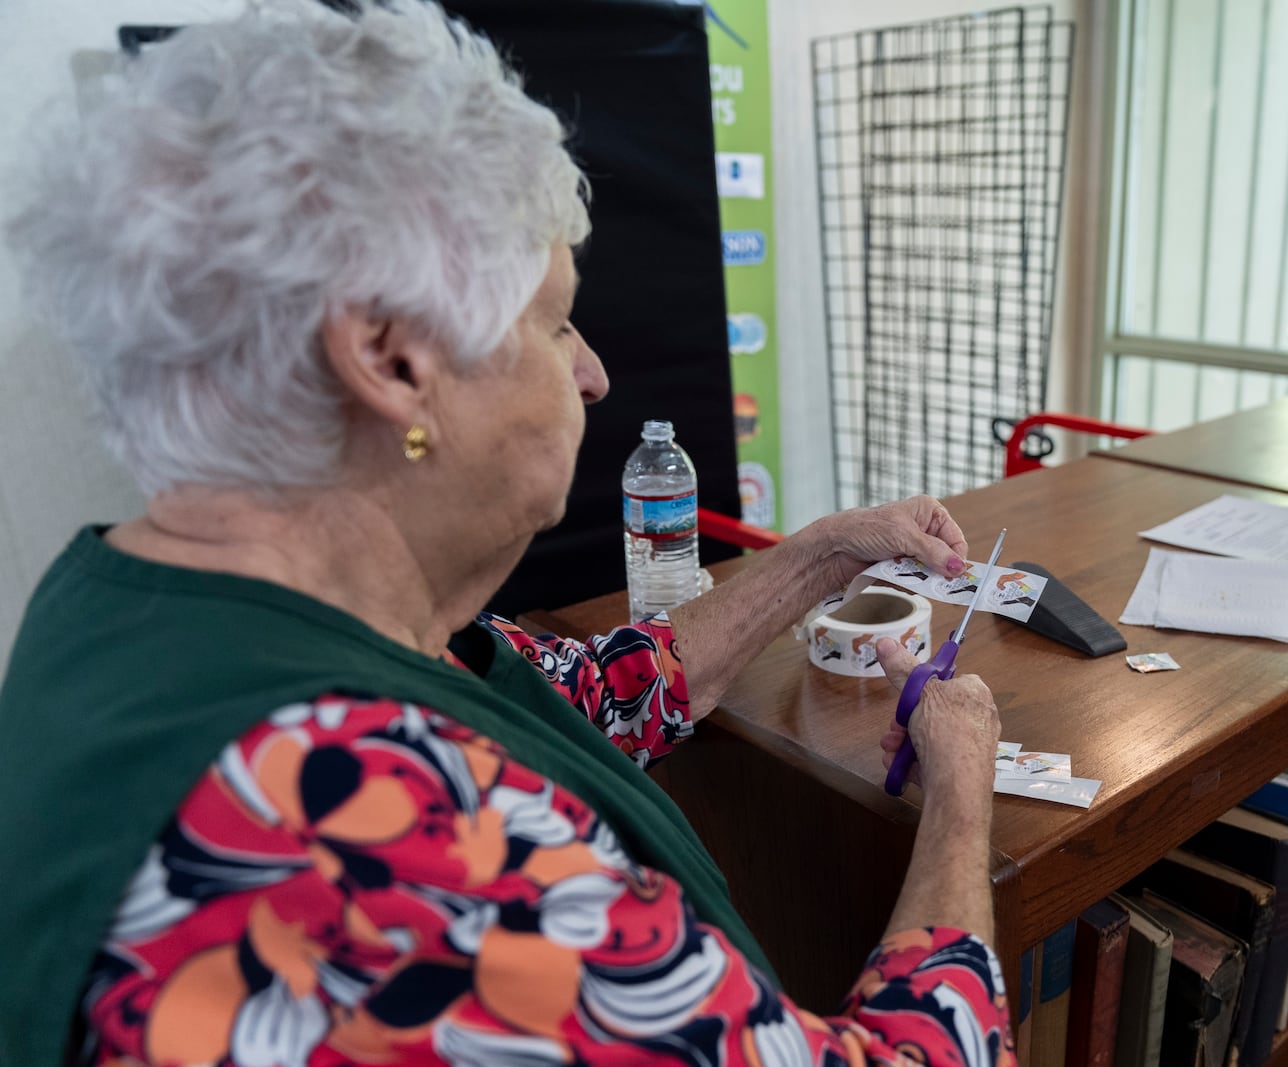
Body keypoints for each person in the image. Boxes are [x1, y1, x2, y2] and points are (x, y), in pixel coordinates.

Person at [0, 3, 1011, 1064]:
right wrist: (959, 788)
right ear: (391, 360)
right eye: (555, 320)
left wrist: (824, 550)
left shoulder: (145, 608)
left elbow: (595, 691)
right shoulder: (380, 843)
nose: (592, 373)